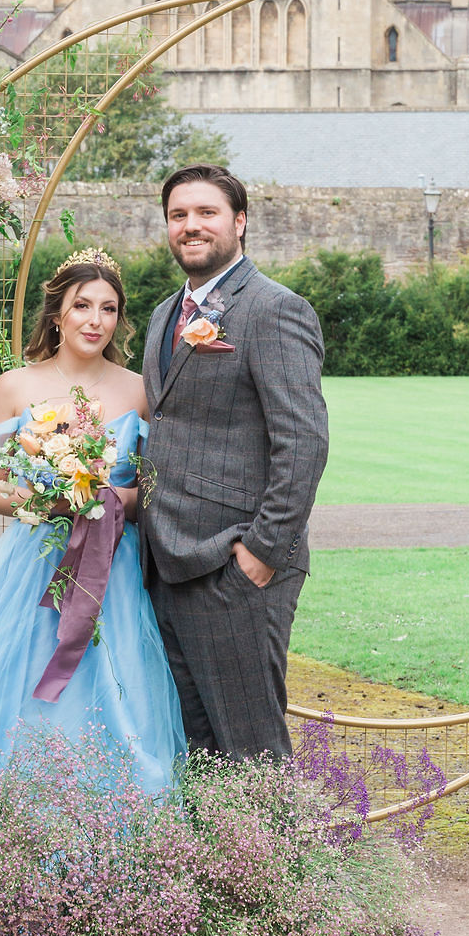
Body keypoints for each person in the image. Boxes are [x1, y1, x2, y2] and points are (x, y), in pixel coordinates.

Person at [0, 251, 185, 793]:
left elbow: (152, 489)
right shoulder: (16, 387)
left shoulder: (140, 389)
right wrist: (47, 499)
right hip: (35, 564)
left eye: (109, 309)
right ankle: (14, 807)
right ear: (57, 315)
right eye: (83, 306)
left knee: (116, 690)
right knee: (18, 686)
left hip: (111, 569)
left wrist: (105, 497)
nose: (96, 320)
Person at [139, 165, 329, 761]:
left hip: (234, 566)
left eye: (206, 213)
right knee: (195, 747)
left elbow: (302, 443)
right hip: (165, 562)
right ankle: (214, 855)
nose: (191, 226)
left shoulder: (275, 310)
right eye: (178, 215)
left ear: (240, 222)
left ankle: (274, 855)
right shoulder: (162, 316)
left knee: (251, 747)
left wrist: (260, 555)